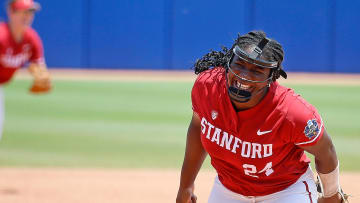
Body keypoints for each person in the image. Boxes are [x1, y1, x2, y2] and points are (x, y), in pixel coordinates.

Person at [176, 31, 348, 203]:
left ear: (271, 77)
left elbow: (326, 151)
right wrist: (186, 186)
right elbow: (198, 127)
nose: (244, 74)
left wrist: (331, 197)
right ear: (229, 61)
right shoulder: (208, 87)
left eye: (258, 70)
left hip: (286, 191)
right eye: (240, 64)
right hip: (228, 189)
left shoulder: (293, 113)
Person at [0, 0, 51, 139]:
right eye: (23, 12)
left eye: (30, 12)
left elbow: (38, 65)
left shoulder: (31, 39)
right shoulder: (1, 35)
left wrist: (40, 75)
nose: (27, 16)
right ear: (11, 13)